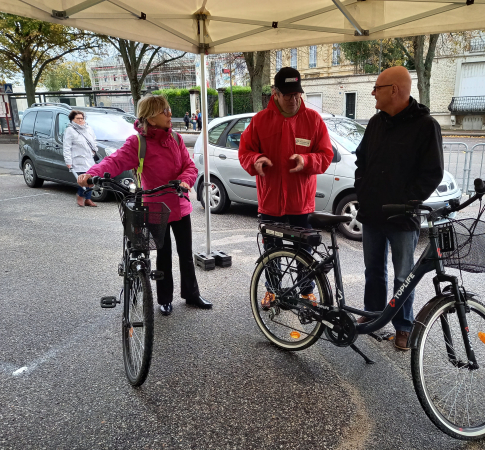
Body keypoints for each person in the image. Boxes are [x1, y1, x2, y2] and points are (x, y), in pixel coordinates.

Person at [77, 95, 212, 315]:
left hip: (180, 204)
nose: (170, 114)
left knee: (186, 253)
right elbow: (114, 160)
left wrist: (186, 181)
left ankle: (191, 294)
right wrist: (91, 174)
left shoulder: (176, 139)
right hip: (155, 207)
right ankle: (164, 299)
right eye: (164, 111)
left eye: (168, 109)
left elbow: (189, 166)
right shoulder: (138, 143)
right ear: (150, 117)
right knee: (163, 254)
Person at [354, 66, 443, 351]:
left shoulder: (426, 126)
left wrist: (408, 202)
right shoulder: (376, 123)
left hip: (403, 218)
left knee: (404, 276)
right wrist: (363, 192)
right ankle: (373, 316)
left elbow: (433, 173)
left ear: (394, 90)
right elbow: (361, 161)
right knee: (373, 271)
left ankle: (403, 327)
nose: (373, 93)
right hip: (372, 214)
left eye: (377, 87)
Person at [239, 67, 334, 308]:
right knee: (271, 250)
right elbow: (245, 152)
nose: (294, 100)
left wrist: (307, 161)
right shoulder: (260, 121)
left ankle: (306, 291)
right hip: (270, 202)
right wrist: (256, 161)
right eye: (288, 95)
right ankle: (272, 289)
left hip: (300, 202)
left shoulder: (313, 120)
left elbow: (326, 155)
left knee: (304, 251)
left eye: (297, 95)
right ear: (276, 93)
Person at [63, 110, 98, 207]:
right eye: (78, 118)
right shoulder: (70, 130)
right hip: (78, 159)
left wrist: (94, 150)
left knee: (91, 179)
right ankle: (81, 195)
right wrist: (68, 161)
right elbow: (67, 147)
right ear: (72, 120)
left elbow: (94, 140)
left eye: (82, 118)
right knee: (83, 179)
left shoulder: (88, 128)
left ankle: (88, 199)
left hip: (89, 158)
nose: (80, 120)